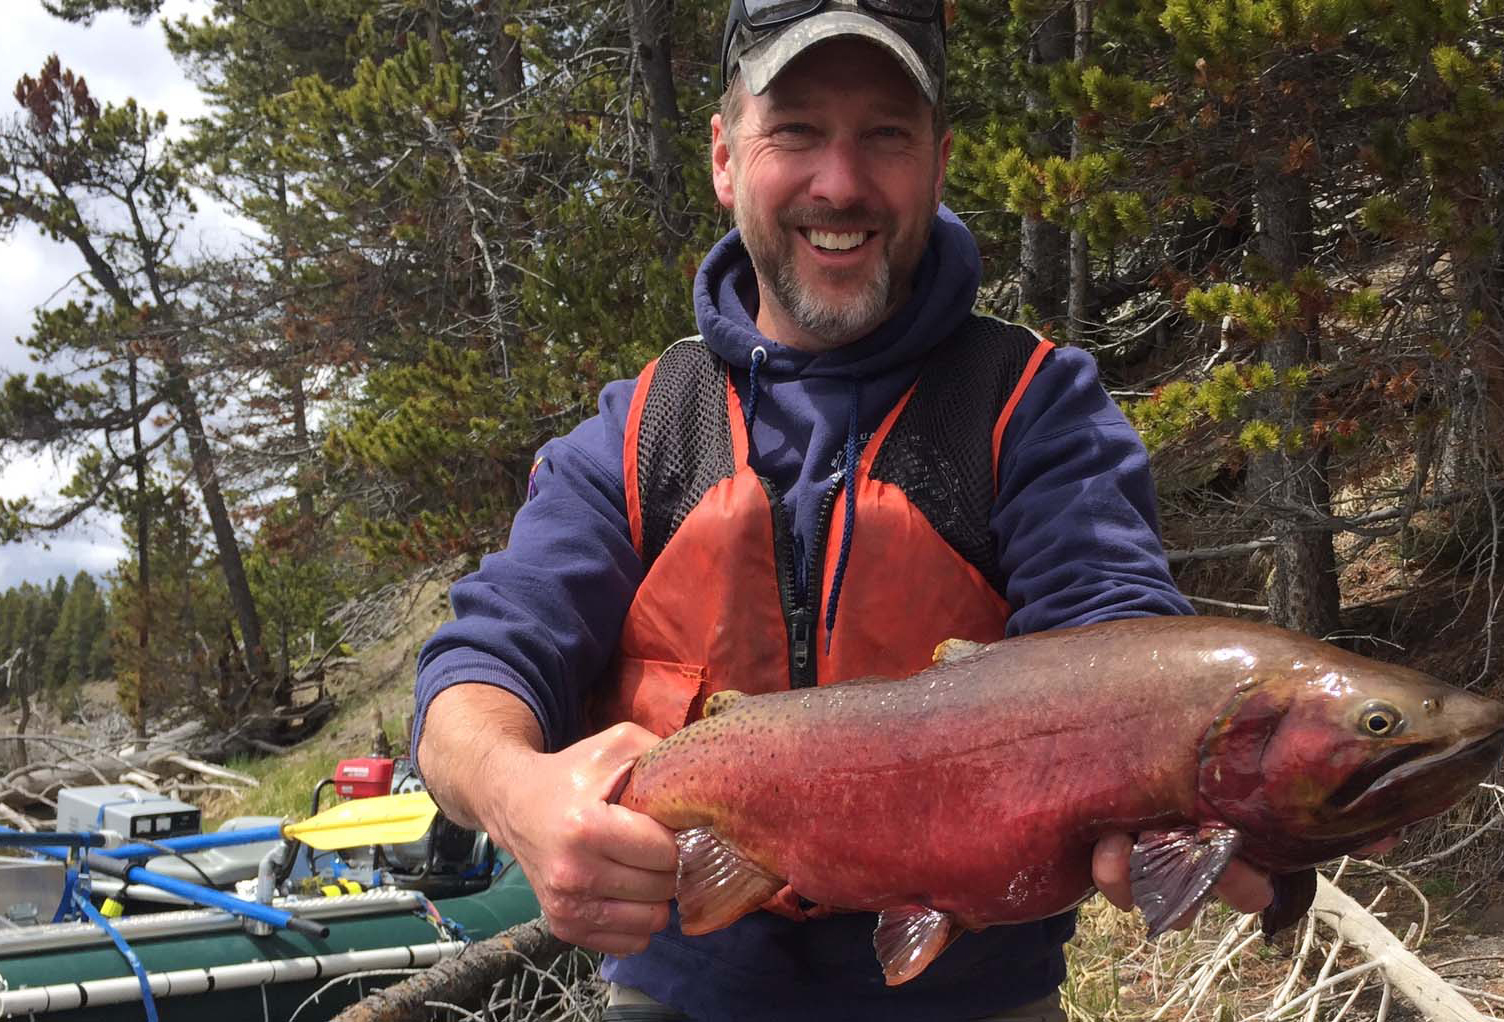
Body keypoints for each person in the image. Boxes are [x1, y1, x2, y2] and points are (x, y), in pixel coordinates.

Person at [410, 2, 1276, 1018]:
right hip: (682, 985)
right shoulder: (639, 431)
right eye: (796, 131)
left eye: (885, 134)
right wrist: (518, 795)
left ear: (938, 164)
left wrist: (1186, 787)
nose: (840, 182)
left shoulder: (1034, 406)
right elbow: (480, 669)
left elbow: (1116, 636)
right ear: (726, 159)